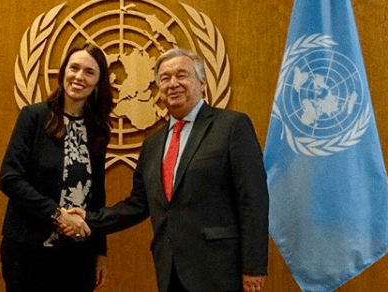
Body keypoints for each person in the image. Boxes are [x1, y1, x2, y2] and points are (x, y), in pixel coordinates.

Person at [65, 48, 269, 292]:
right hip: (170, 271)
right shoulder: (152, 144)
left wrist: (254, 266)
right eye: (165, 78)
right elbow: (137, 205)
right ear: (158, 88)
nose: (173, 83)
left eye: (182, 75)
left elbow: (253, 200)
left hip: (221, 271)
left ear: (202, 83)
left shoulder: (231, 126)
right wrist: (90, 218)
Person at [0, 43, 113, 292]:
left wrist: (100, 251)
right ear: (63, 72)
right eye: (74, 68)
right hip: (28, 250)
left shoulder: (99, 129)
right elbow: (10, 178)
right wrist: (58, 214)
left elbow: (97, 195)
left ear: (98, 83)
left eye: (89, 72)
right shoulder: (35, 117)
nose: (79, 77)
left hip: (78, 254)